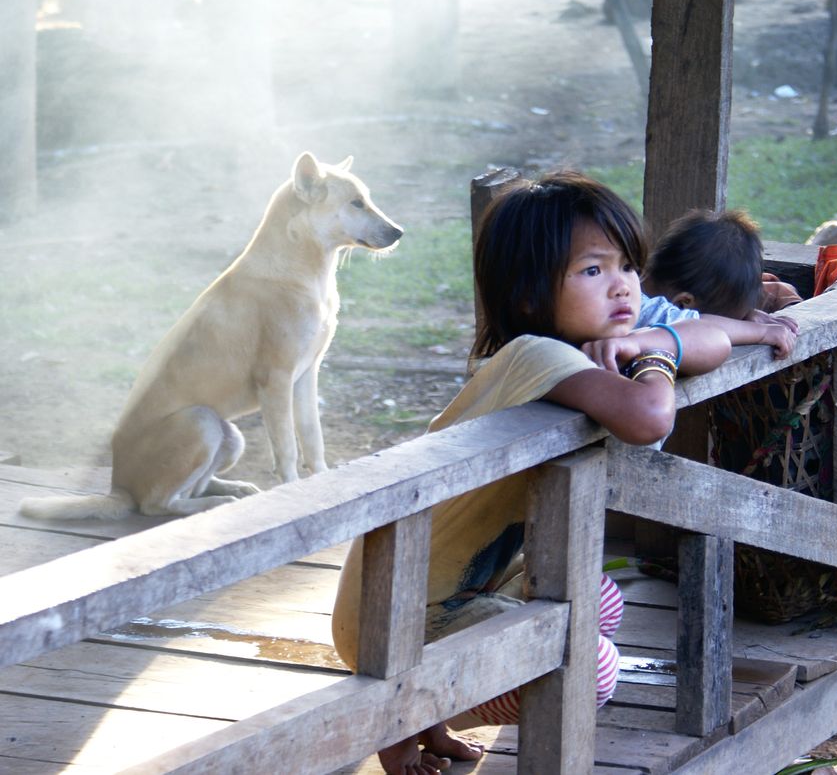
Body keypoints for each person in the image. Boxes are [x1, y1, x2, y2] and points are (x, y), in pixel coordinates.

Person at [331, 171, 733, 774]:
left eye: (626, 265)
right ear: (526, 297)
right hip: (397, 623)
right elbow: (650, 416)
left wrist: (678, 337)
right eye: (593, 271)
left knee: (597, 601)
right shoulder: (536, 355)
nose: (623, 286)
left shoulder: (570, 346)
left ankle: (428, 712)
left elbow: (710, 337)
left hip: (446, 593)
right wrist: (653, 352)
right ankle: (400, 714)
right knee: (592, 667)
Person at [642, 208, 802, 355]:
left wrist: (748, 316)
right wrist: (760, 332)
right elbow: (699, 327)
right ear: (683, 303)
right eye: (728, 321)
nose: (732, 324)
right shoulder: (639, 310)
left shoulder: (634, 274)